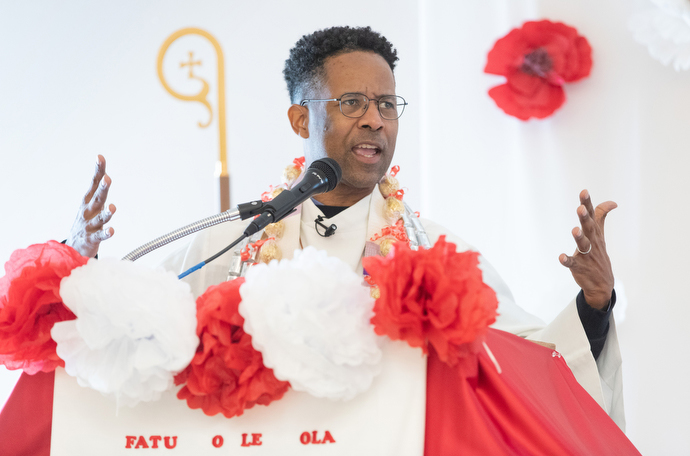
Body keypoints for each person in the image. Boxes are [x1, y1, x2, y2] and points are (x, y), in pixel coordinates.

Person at [66, 26, 624, 430]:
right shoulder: (229, 240)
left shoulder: (435, 258)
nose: (375, 120)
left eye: (387, 104)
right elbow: (131, 339)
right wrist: (80, 261)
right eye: (353, 102)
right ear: (301, 119)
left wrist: (594, 306)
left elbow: (528, 361)